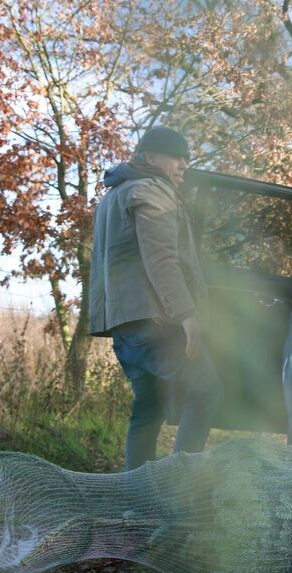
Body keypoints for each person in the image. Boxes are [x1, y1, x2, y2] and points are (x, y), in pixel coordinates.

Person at [89, 126, 222, 471]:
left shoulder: (113, 197)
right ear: (150, 157)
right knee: (206, 389)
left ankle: (136, 493)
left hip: (124, 326)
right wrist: (188, 315)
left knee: (149, 408)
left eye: (186, 158)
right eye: (176, 157)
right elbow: (161, 259)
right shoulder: (152, 190)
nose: (183, 165)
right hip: (155, 322)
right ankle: (177, 484)